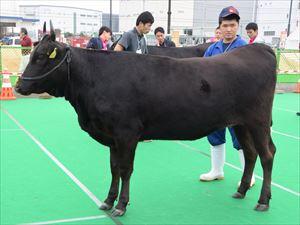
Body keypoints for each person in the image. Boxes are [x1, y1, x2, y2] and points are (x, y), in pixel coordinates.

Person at [199, 6, 256, 187]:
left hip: (236, 105)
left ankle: (249, 175)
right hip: (214, 103)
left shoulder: (245, 49)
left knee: (241, 138)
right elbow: (202, 72)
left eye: (232, 25)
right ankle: (217, 170)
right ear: (219, 27)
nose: (229, 29)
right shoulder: (212, 48)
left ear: (238, 26)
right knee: (214, 135)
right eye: (225, 25)